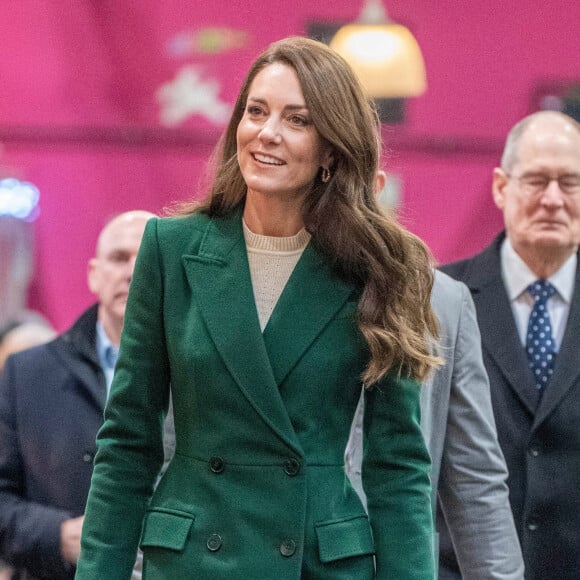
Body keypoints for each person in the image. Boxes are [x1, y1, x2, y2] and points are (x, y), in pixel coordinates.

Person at [75, 36, 440, 579]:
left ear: (331, 151)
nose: (266, 133)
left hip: (317, 562)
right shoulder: (170, 249)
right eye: (256, 111)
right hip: (193, 559)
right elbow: (128, 440)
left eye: (297, 120)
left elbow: (398, 466)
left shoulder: (383, 264)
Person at [345, 171, 524, 580]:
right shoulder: (249, 288)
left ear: (375, 186)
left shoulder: (442, 301)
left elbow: (475, 482)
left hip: (397, 561)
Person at [440, 110, 580, 580]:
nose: (553, 200)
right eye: (537, 180)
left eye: (570, 182)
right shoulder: (435, 300)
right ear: (501, 187)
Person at [0, 210, 159, 580]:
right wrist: (56, 535)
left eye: (149, 259)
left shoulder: (205, 375)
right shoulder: (27, 374)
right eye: (119, 258)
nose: (133, 272)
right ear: (94, 274)